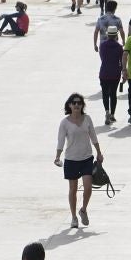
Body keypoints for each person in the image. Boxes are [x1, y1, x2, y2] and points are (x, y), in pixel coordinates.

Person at [54, 93, 102, 228]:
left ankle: (83, 210)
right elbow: (61, 141)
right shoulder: (65, 123)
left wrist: (99, 152)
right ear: (69, 105)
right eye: (74, 103)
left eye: (79, 103)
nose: (76, 105)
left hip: (86, 157)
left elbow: (93, 136)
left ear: (82, 105)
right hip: (71, 159)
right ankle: (74, 217)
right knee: (73, 189)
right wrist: (57, 156)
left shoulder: (87, 119)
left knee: (88, 187)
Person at [98, 25, 123, 124]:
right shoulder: (119, 47)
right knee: (113, 94)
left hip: (104, 72)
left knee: (105, 94)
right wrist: (122, 70)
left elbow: (102, 58)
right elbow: (121, 61)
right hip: (115, 73)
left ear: (108, 35)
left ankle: (107, 111)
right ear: (116, 35)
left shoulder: (102, 45)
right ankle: (112, 114)